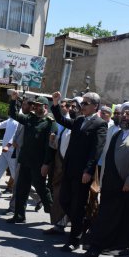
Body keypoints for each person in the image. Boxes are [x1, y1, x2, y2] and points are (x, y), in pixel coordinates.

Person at [81, 102, 129, 257]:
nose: (124, 116)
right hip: (113, 188)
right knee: (105, 220)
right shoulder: (116, 135)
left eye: (128, 114)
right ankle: (95, 249)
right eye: (122, 113)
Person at [51, 91, 107, 252]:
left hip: (83, 173)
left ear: (95, 106)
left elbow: (96, 150)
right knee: (64, 200)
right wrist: (56, 104)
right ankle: (81, 222)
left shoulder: (100, 124)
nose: (82, 106)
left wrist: (88, 171)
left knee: (77, 205)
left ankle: (73, 239)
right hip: (69, 169)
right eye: (82, 103)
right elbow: (62, 119)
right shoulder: (79, 120)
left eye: (86, 103)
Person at [5, 92, 57, 224]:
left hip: (38, 163)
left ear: (45, 106)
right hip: (25, 160)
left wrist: (46, 163)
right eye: (34, 105)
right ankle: (19, 215)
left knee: (41, 189)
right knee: (21, 189)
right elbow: (14, 114)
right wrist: (13, 100)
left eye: (38, 105)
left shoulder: (50, 123)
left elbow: (50, 146)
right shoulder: (30, 118)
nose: (35, 107)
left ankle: (54, 214)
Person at [43, 97, 80, 235]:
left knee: (70, 198)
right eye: (70, 106)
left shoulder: (81, 125)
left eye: (75, 106)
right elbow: (59, 145)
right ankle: (59, 224)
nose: (71, 109)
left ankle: (75, 228)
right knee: (59, 195)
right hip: (60, 166)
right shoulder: (66, 124)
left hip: (73, 168)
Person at [0, 116, 19, 186]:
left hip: (12, 151)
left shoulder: (18, 121)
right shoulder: (10, 120)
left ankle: (19, 191)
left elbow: (15, 136)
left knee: (14, 173)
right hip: (5, 151)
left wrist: (8, 145)